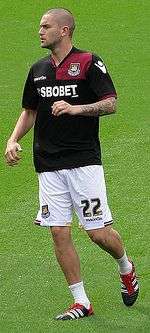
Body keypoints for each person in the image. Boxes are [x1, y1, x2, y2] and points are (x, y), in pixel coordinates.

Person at [5, 8, 139, 320]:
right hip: (48, 165)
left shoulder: (89, 62)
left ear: (64, 30)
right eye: (39, 26)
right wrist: (13, 139)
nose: (40, 31)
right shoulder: (38, 70)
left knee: (97, 233)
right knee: (58, 231)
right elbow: (30, 110)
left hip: (83, 163)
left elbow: (111, 103)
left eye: (45, 26)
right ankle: (81, 302)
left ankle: (126, 267)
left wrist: (77, 110)